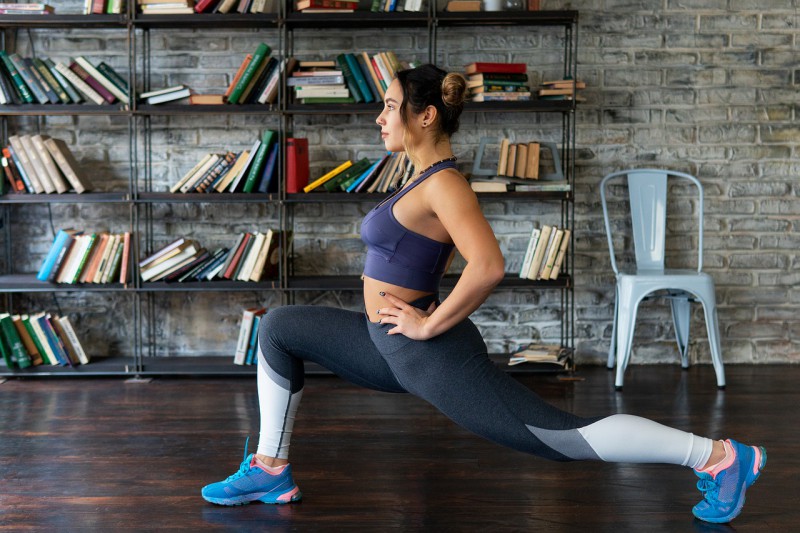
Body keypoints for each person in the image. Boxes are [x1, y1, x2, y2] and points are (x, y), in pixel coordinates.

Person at [201, 64, 765, 524]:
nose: (380, 117)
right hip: (385, 344)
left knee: (557, 437)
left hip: (423, 350)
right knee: (279, 328)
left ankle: (719, 457)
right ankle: (271, 469)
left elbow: (489, 265)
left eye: (391, 107)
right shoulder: (416, 176)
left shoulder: (444, 182)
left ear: (425, 116)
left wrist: (426, 326)